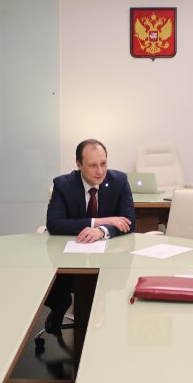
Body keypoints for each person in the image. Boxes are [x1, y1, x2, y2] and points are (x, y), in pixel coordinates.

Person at [44, 139, 136, 332]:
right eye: (92, 165)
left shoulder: (119, 181)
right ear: (79, 165)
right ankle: (59, 308)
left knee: (116, 277)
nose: (100, 171)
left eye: (103, 163)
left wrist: (101, 231)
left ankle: (98, 311)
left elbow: (129, 221)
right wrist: (99, 222)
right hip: (72, 254)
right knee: (58, 282)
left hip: (109, 255)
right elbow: (54, 224)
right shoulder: (63, 184)